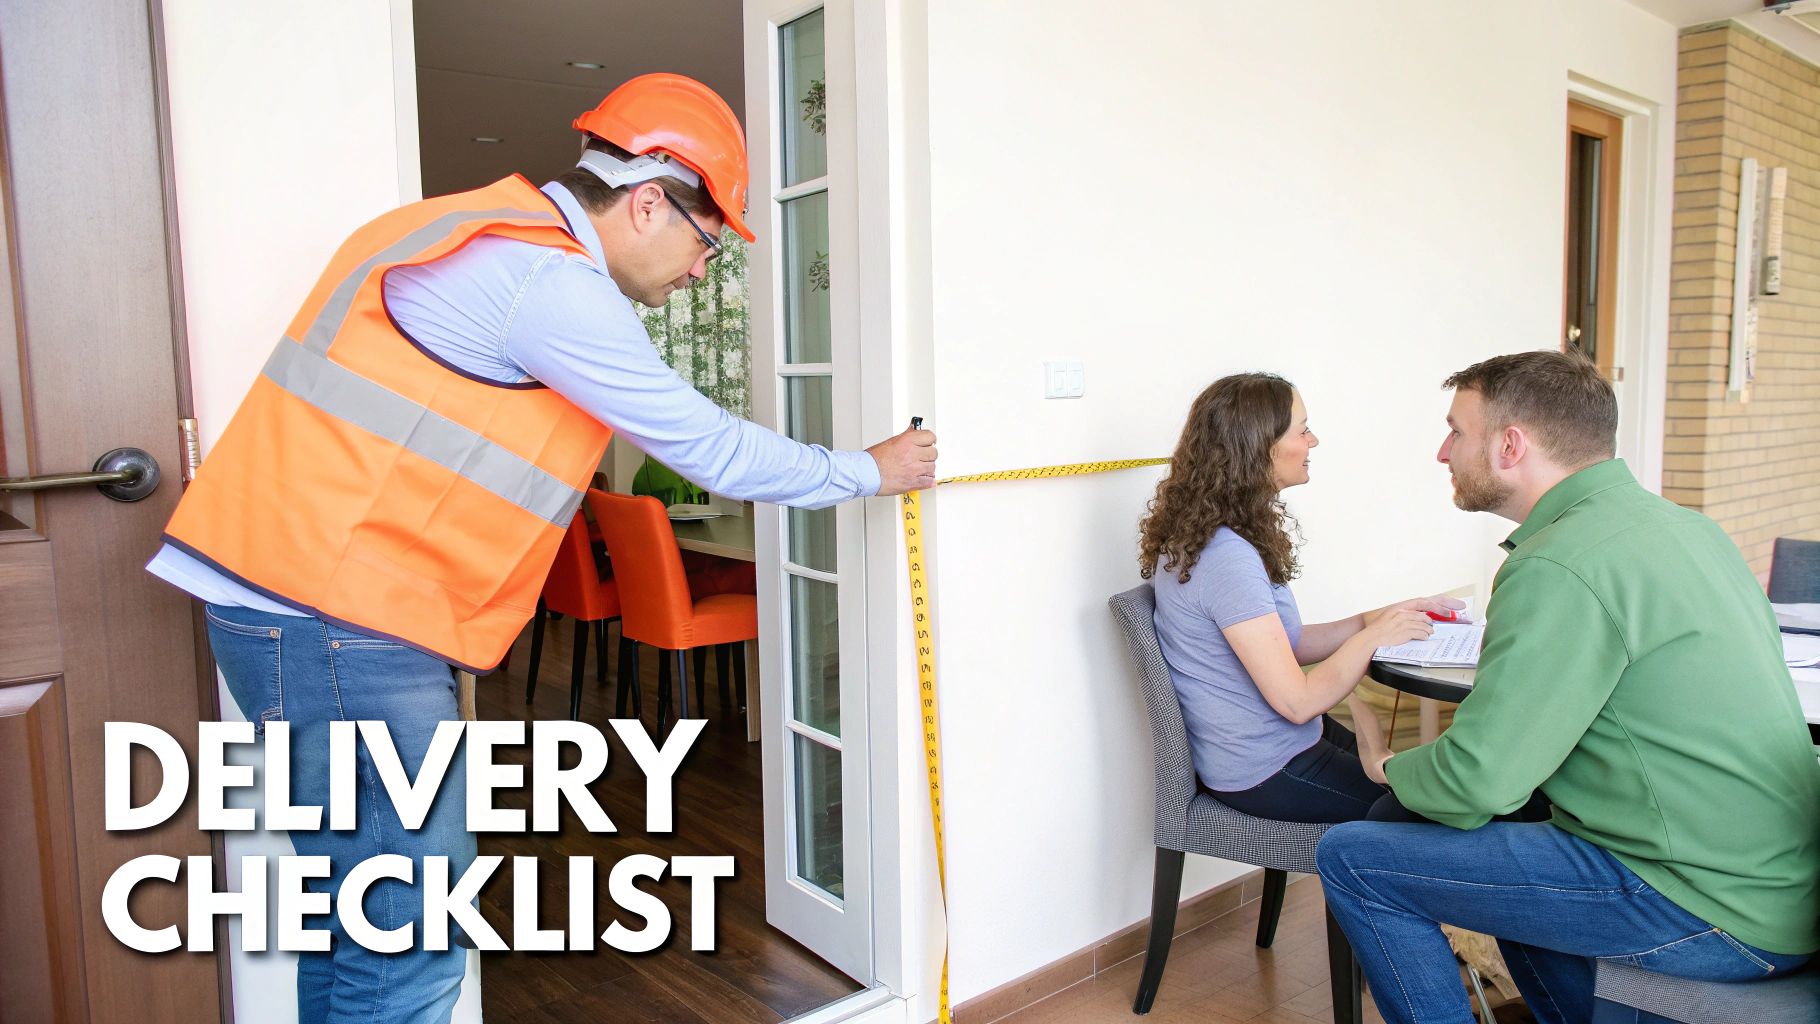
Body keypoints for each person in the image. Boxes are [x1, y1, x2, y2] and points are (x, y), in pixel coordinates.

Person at [145, 74, 935, 1024]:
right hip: (340, 624)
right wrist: (867, 470)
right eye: (708, 240)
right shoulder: (546, 281)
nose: (702, 270)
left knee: (361, 925)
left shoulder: (460, 229)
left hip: (302, 607)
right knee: (410, 943)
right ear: (649, 200)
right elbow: (709, 445)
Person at [1316, 351, 1820, 1024]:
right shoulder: (1688, 528)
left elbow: (1479, 782)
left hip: (1705, 905)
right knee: (1515, 842)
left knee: (1353, 858)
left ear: (1510, 445)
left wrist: (1387, 765)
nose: (1442, 452)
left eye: (1456, 431)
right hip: (1776, 886)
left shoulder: (1559, 562)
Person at [1138, 372, 1461, 823]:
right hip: (1266, 770)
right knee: (1433, 812)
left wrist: (1372, 620)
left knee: (1422, 782)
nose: (1314, 441)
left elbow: (1279, 647)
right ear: (1260, 446)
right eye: (1302, 430)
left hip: (1283, 744)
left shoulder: (1218, 536)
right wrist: (1371, 638)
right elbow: (1298, 702)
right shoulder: (1225, 557)